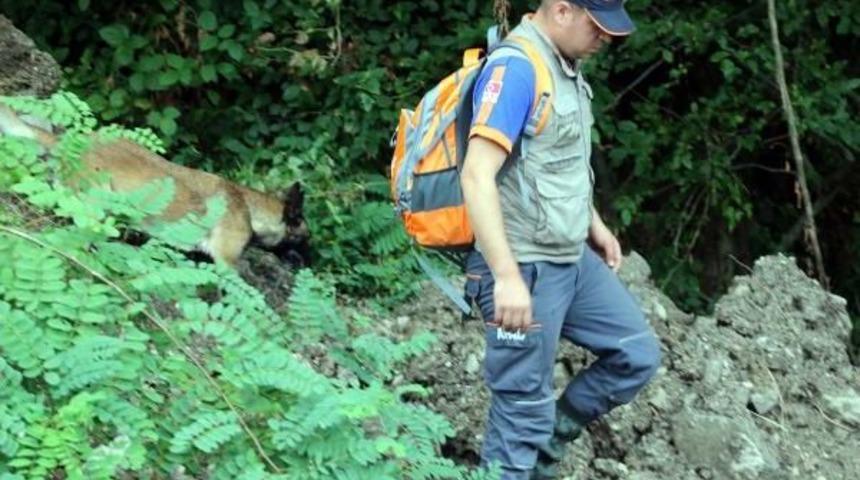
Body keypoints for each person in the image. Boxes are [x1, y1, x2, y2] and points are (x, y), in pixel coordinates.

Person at [460, 1, 662, 478]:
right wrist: (507, 277)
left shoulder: (563, 65)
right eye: (598, 27)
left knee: (635, 354)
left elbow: (555, 160)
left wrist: (593, 223)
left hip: (569, 258)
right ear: (562, 10)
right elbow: (476, 175)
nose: (605, 39)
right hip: (524, 266)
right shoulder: (517, 70)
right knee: (521, 409)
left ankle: (545, 455)